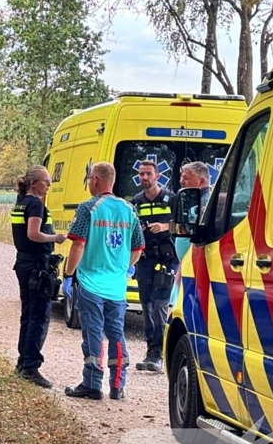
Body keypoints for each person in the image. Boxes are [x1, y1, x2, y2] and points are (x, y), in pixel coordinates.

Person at [61, 162, 144, 401]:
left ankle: (92, 384)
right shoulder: (128, 209)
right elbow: (138, 247)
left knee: (93, 334)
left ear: (95, 180)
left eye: (89, 179)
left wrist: (68, 275)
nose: (89, 183)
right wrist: (125, 268)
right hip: (116, 286)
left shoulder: (88, 208)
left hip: (90, 283)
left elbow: (78, 244)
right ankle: (117, 386)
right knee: (116, 333)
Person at [10, 166, 67, 389]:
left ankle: (22, 362)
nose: (49, 185)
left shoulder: (21, 203)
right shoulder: (35, 204)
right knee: (39, 316)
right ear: (33, 183)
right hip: (36, 266)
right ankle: (31, 367)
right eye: (45, 181)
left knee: (28, 314)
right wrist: (56, 238)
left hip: (24, 263)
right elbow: (33, 234)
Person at [130, 160, 178, 373]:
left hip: (166, 259)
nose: (145, 178)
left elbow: (185, 224)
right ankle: (151, 350)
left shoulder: (171, 199)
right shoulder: (136, 202)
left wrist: (165, 226)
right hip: (145, 260)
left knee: (160, 306)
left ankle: (158, 353)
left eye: (149, 174)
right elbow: (129, 230)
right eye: (141, 174)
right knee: (147, 305)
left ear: (157, 176)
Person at [172, 161, 213, 303]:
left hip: (196, 265)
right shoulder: (192, 199)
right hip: (187, 263)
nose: (181, 181)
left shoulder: (206, 204)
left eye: (186, 178)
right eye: (181, 177)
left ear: (201, 181)